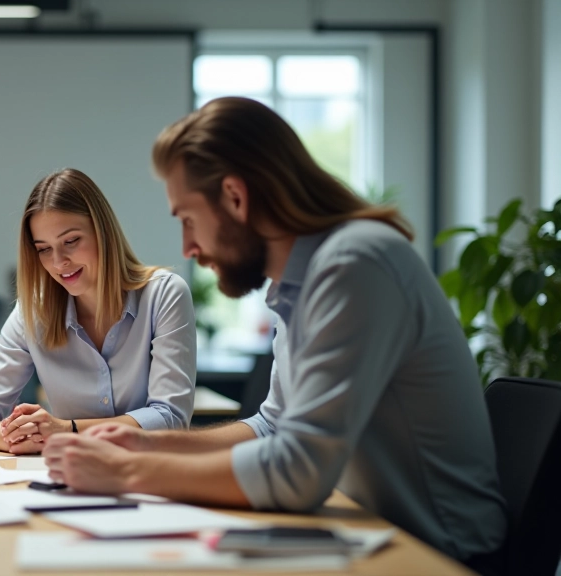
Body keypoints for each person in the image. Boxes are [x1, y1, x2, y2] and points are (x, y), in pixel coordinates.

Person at [42, 97, 508, 566]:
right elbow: (272, 427)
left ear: (235, 197)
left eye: (187, 219)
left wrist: (128, 471)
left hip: (436, 555)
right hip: (364, 536)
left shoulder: (354, 265)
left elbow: (297, 470)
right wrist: (147, 441)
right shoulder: (298, 284)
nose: (187, 246)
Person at [0, 168, 196, 454]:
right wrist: (20, 436)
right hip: (70, 477)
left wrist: (67, 430)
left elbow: (170, 418)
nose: (59, 262)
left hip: (149, 478)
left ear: (103, 231)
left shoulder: (164, 295)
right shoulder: (35, 310)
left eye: (71, 242)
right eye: (44, 249)